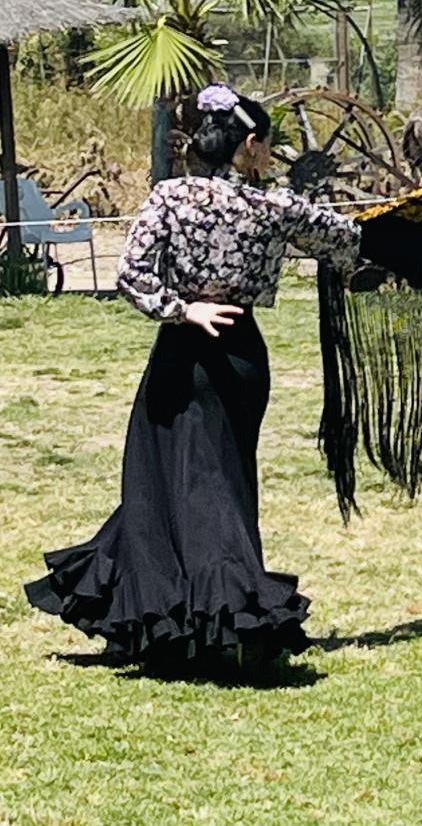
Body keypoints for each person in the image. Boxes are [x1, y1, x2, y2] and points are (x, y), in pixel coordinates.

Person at [24, 83, 361, 671]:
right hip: (238, 355)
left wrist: (183, 310)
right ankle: (182, 617)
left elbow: (133, 274)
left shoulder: (170, 197)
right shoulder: (275, 208)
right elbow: (353, 244)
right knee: (204, 483)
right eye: (267, 142)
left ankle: (224, 620)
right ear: (250, 146)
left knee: (179, 481)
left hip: (182, 352)